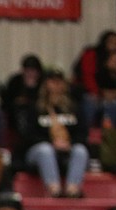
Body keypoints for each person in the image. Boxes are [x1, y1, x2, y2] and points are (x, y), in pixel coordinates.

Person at [23, 66, 88, 199]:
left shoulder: (73, 107)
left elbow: (83, 133)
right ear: (46, 84)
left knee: (80, 150)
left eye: (59, 81)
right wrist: (52, 143)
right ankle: (54, 190)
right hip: (38, 151)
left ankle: (72, 190)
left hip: (67, 148)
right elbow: (28, 135)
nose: (56, 85)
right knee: (45, 150)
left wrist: (69, 144)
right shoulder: (35, 108)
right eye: (52, 81)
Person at [3, 54, 43, 151]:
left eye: (33, 71)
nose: (30, 74)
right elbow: (6, 102)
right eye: (27, 71)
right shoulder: (15, 82)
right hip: (18, 116)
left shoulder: (43, 82)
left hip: (40, 115)